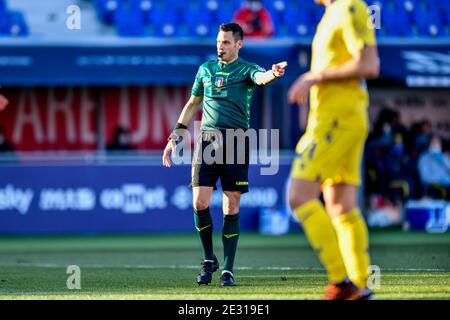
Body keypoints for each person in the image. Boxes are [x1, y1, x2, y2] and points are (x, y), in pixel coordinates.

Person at [162, 23, 286, 286]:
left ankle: (228, 269)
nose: (221, 46)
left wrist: (273, 74)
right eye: (219, 41)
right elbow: (192, 103)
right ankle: (209, 259)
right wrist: (175, 136)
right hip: (208, 140)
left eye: (226, 42)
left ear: (239, 44)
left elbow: (261, 78)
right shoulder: (205, 69)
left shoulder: (247, 69)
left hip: (237, 141)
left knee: (232, 203)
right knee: (199, 202)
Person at [287, 0, 379, 300]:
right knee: (341, 206)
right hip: (339, 119)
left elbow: (368, 64)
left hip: (337, 121)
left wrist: (316, 76)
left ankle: (341, 284)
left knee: (299, 196)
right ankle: (362, 287)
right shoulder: (332, 13)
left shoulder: (350, 6)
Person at [417, 135, 450, 200]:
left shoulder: (444, 157)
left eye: (438, 143)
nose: (436, 145)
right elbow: (424, 177)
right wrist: (440, 180)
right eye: (434, 143)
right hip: (432, 185)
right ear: (429, 144)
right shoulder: (424, 158)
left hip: (446, 184)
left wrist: (443, 160)